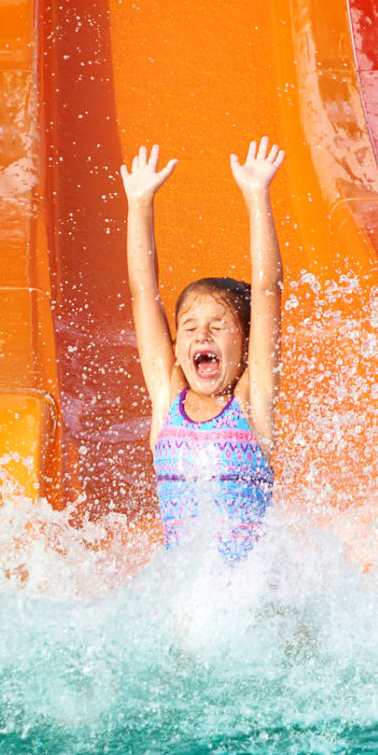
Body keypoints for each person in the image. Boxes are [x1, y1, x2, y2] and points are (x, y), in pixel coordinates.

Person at [121, 138, 285, 559]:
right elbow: (144, 294)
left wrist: (256, 196)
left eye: (218, 326)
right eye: (190, 328)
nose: (202, 336)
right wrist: (139, 205)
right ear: (176, 350)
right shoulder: (166, 403)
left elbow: (267, 290)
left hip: (248, 604)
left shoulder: (253, 403)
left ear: (246, 345)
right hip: (186, 604)